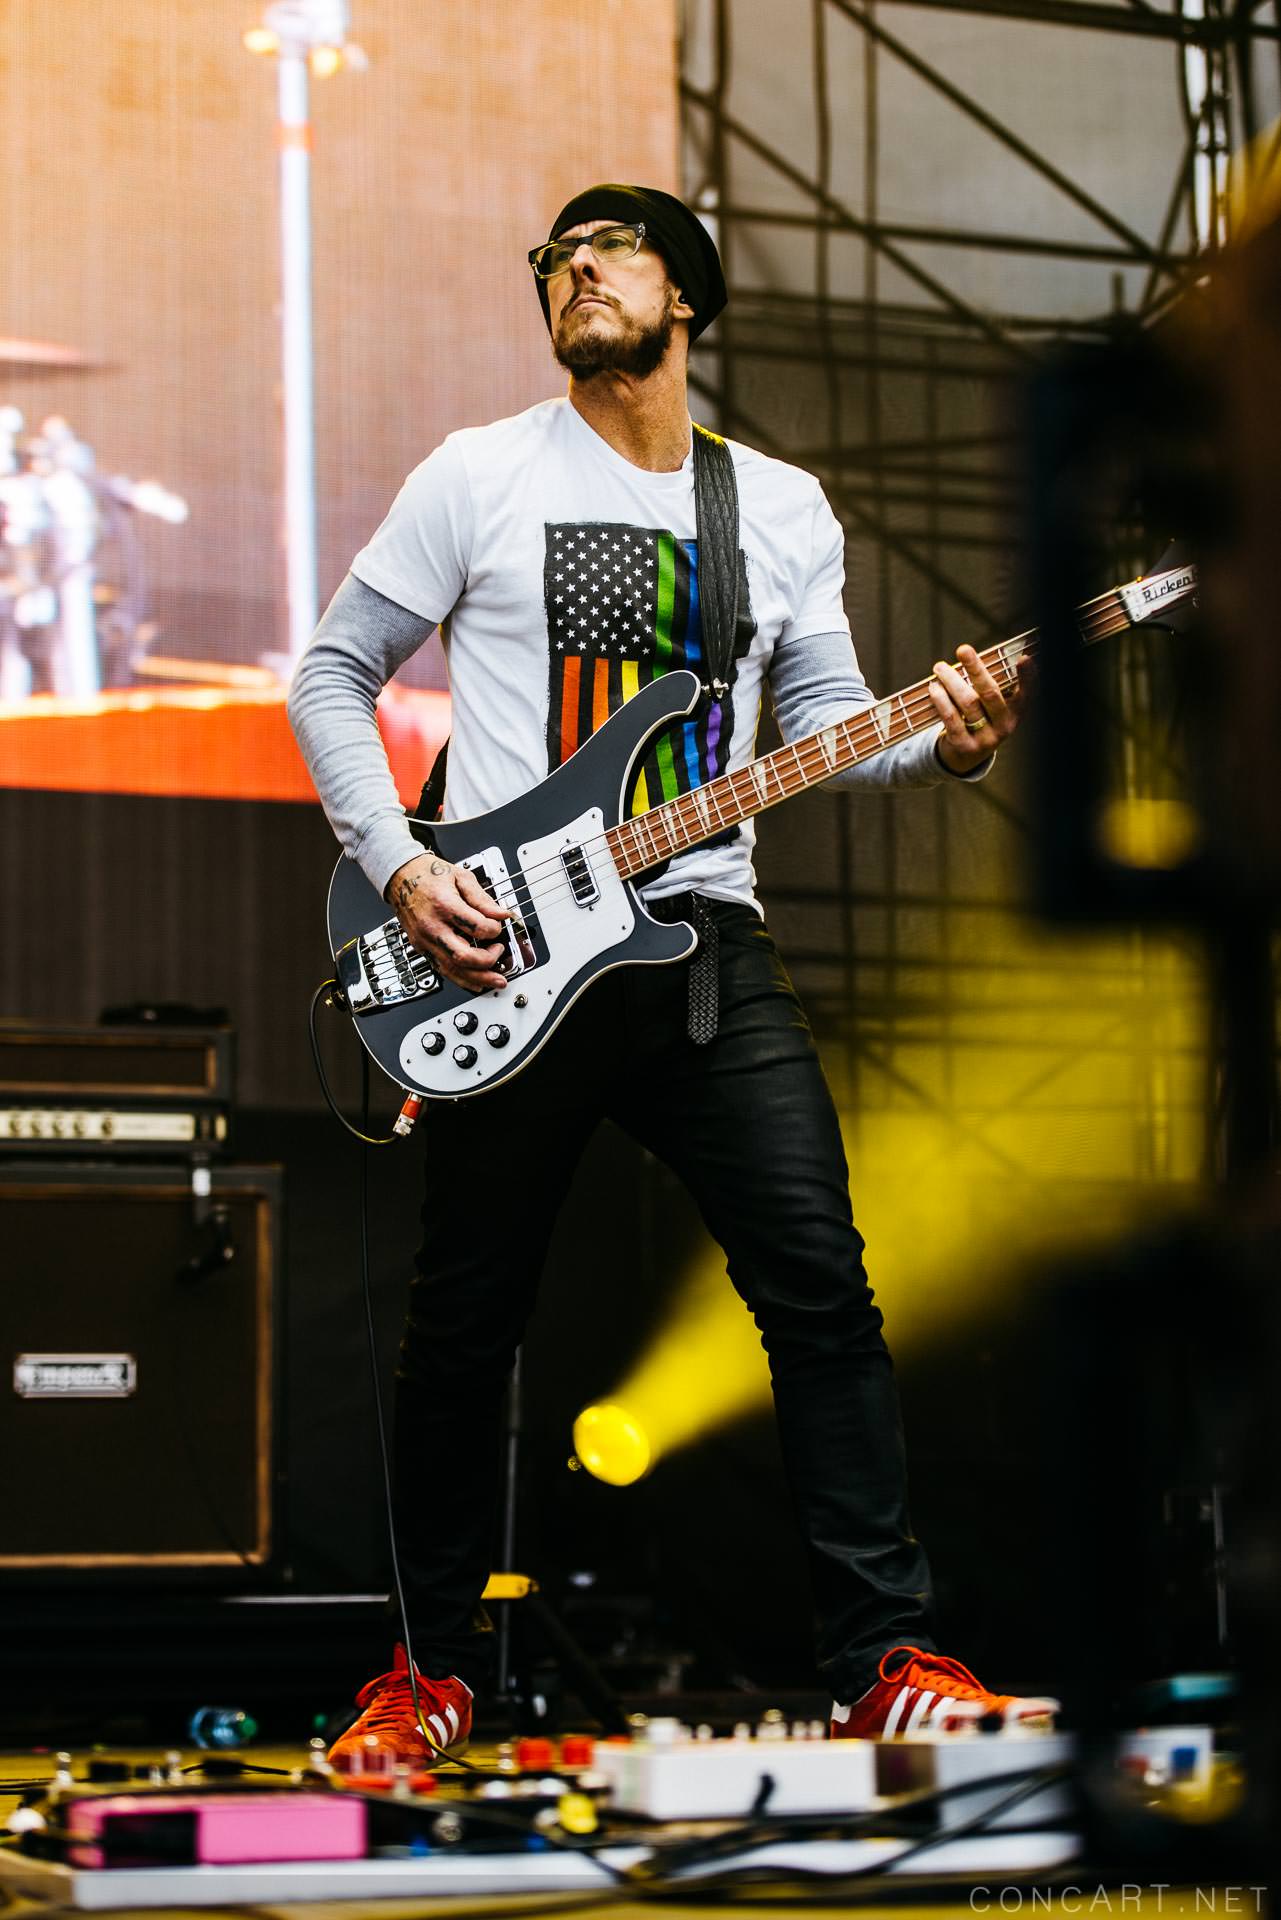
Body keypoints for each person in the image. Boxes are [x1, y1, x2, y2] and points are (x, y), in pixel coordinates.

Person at [288, 183, 1053, 1767]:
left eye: (607, 249)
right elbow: (332, 669)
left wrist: (950, 743)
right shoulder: (478, 473)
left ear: (684, 296)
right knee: (462, 1333)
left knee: (823, 1298)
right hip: (503, 945)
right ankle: (425, 1674)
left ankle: (884, 1655)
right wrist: (404, 863)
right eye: (553, 258)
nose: (571, 271)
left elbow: (833, 729)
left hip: (702, 944)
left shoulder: (772, 505)